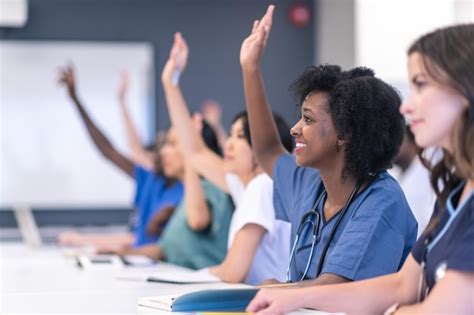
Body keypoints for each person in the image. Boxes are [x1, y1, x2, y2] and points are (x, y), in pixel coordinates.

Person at [247, 23, 474, 315]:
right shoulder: (455, 194)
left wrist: (291, 293)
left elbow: (437, 309)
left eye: (420, 84)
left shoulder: (382, 200)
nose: (405, 108)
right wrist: (287, 296)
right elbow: (402, 286)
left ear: (466, 90)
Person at [240, 5, 417, 286]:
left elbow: (337, 288)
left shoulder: (382, 201)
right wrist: (250, 68)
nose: (294, 129)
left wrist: (279, 290)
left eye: (308, 119)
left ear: (344, 133)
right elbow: (267, 151)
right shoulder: (311, 185)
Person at [161, 32, 293, 285]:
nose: (228, 144)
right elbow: (195, 152)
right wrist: (171, 81)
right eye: (229, 135)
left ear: (260, 147)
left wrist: (199, 276)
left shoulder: (262, 187)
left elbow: (233, 272)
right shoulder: (247, 185)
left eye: (240, 137)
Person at [57, 66, 185, 250]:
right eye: (163, 145)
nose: (163, 151)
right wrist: (77, 101)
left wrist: (85, 241)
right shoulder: (152, 179)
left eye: (171, 145)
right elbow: (108, 150)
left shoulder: (189, 193)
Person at [392, 126, 436, 236]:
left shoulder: (428, 173)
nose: (392, 145)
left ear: (413, 144)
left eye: (398, 140)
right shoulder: (395, 178)